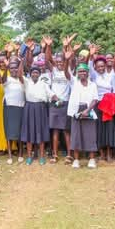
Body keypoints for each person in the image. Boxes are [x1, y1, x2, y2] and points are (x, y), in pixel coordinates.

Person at [46, 36, 74, 164]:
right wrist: (48, 46)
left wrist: (67, 59)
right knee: (55, 130)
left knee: (66, 130)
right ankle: (55, 155)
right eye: (57, 62)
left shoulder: (68, 73)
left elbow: (67, 67)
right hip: (54, 104)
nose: (59, 63)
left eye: (61, 61)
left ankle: (69, 155)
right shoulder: (54, 72)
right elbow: (47, 60)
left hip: (65, 104)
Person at [66, 63, 99, 169]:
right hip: (76, 110)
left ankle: (92, 159)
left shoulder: (92, 84)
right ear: (77, 73)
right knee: (76, 135)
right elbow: (66, 73)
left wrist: (87, 110)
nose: (82, 73)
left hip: (89, 110)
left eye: (84, 71)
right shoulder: (74, 82)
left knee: (90, 135)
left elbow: (95, 99)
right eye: (80, 71)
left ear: (88, 72)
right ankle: (76, 160)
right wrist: (67, 60)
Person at [21, 65, 55, 165]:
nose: (34, 74)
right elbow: (19, 75)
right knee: (29, 133)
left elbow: (51, 94)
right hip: (29, 108)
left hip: (40, 108)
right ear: (30, 74)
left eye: (36, 72)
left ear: (39, 74)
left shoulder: (43, 84)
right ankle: (29, 156)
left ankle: (41, 156)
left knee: (40, 132)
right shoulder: (26, 82)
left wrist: (58, 99)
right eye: (33, 72)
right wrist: (21, 63)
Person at [89, 56, 115, 161]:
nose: (100, 68)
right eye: (98, 66)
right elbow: (89, 66)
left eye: (102, 66)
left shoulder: (111, 76)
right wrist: (91, 56)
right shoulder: (94, 76)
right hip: (97, 104)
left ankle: (109, 154)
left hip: (109, 104)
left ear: (105, 66)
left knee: (109, 128)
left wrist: (110, 98)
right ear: (95, 68)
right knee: (99, 128)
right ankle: (101, 154)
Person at [1, 60, 25, 164]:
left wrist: (22, 63)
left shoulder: (23, 79)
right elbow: (2, 79)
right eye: (12, 68)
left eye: (16, 67)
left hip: (20, 107)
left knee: (20, 132)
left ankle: (20, 154)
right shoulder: (7, 79)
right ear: (9, 70)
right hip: (9, 107)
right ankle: (10, 156)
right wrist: (6, 67)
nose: (14, 70)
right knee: (9, 131)